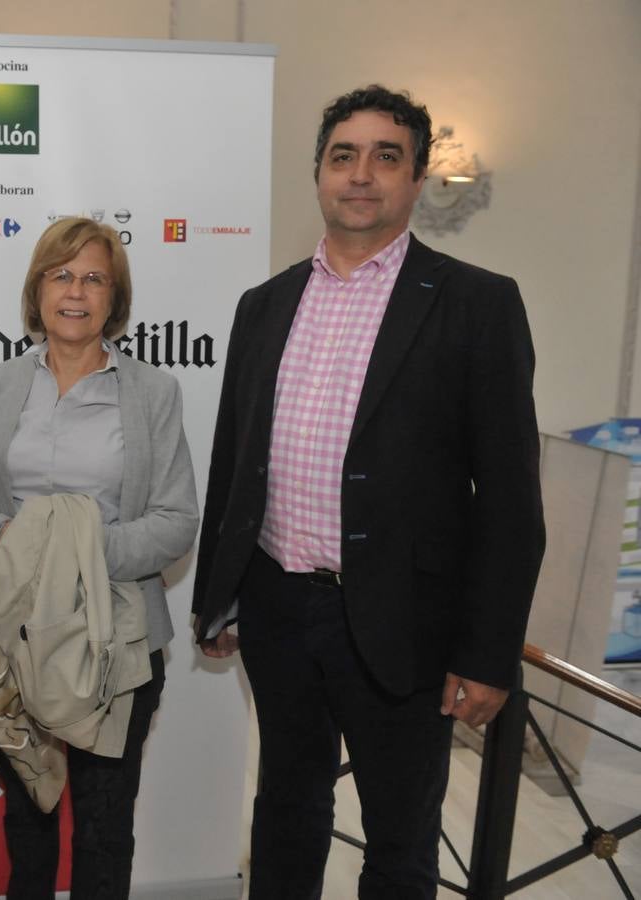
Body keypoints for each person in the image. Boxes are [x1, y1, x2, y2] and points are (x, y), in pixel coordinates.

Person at [191, 85, 545, 898]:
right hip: (279, 609)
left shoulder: (477, 304)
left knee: (399, 839)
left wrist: (488, 654)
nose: (361, 174)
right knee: (286, 807)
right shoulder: (266, 305)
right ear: (318, 174)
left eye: (387, 156)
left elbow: (511, 503)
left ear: (416, 179)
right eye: (342, 156)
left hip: (403, 622)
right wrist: (220, 596)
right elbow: (235, 460)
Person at [0, 216, 199, 899]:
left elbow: (176, 522)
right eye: (60, 275)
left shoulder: (153, 394)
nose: (75, 291)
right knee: (27, 823)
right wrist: (14, 543)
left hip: (119, 640)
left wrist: (70, 553)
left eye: (93, 277)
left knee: (105, 828)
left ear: (115, 298)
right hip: (9, 639)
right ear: (37, 290)